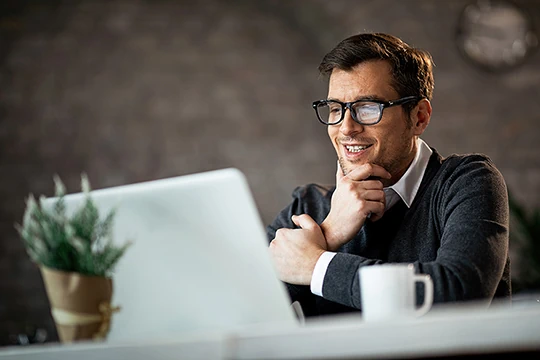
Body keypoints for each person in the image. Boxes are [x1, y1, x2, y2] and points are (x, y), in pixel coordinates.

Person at [267, 32, 511, 317]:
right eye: (336, 109)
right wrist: (329, 233)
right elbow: (239, 309)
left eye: (368, 108)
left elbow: (460, 291)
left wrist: (317, 265)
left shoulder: (468, 181)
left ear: (419, 116)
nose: (346, 128)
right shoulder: (307, 208)